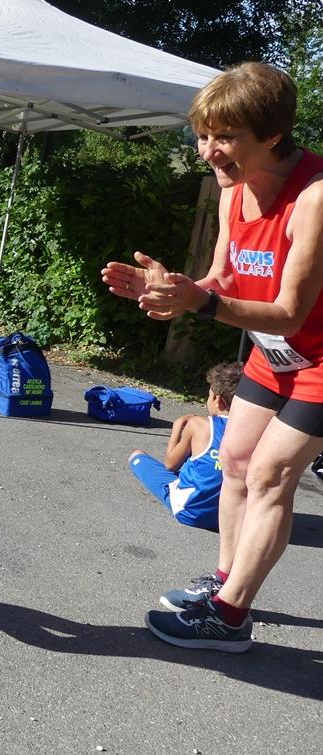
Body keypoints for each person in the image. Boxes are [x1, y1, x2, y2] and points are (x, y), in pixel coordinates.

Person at [102, 62, 323, 653]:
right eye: (202, 134)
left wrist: (200, 303)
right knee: (233, 461)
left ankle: (228, 619)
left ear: (272, 136)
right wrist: (176, 292)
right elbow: (224, 276)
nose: (208, 151)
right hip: (274, 355)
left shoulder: (315, 198)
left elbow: (290, 312)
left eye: (224, 138)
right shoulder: (233, 188)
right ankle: (225, 584)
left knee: (272, 474)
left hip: (320, 359)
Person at [128, 362, 242, 532]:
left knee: (136, 456)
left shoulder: (199, 425)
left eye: (209, 395)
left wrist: (178, 426)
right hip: (233, 520)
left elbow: (170, 464)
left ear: (217, 400)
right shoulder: (256, 432)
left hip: (191, 512)